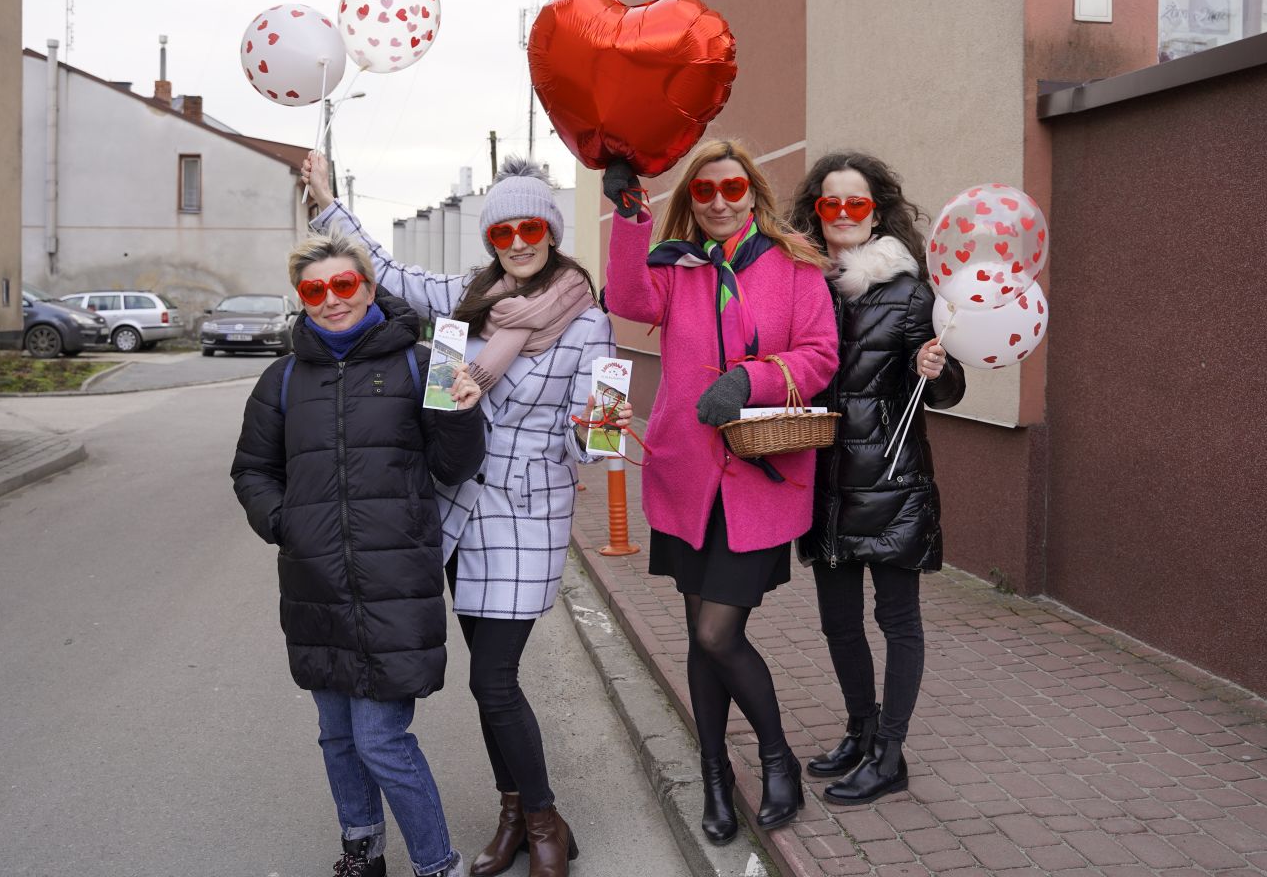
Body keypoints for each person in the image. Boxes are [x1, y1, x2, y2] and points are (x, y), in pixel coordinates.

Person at [304, 153, 622, 877]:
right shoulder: (469, 301)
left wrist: (602, 426)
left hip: (526, 514)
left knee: (493, 680)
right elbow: (386, 273)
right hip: (458, 514)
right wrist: (327, 204)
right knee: (486, 673)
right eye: (503, 229)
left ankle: (543, 819)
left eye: (531, 225)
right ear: (490, 237)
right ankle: (513, 812)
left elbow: (595, 445)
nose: (517, 240)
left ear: (551, 228)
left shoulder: (588, 322)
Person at [601, 140, 838, 844]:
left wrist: (752, 380)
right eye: (704, 192)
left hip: (759, 482)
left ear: (752, 190)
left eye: (732, 187)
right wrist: (628, 219)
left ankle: (776, 758)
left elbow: (821, 354)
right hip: (687, 480)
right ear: (690, 200)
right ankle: (712, 771)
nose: (719, 201)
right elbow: (626, 299)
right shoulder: (675, 266)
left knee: (717, 631)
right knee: (699, 637)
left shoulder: (792, 262)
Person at [231, 229, 486, 877]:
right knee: (337, 734)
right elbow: (252, 470)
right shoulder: (282, 379)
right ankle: (362, 849)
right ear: (303, 297)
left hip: (393, 584)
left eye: (344, 285)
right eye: (315, 289)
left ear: (369, 288)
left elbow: (455, 467)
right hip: (315, 585)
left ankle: (438, 865)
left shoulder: (422, 364)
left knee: (381, 740)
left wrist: (460, 412)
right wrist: (285, 523)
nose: (331, 300)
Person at [785, 151, 965, 805]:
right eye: (829, 205)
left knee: (897, 620)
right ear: (816, 212)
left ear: (876, 210)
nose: (840, 216)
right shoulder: (804, 285)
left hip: (891, 482)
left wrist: (933, 365)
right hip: (826, 483)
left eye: (854, 204)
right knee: (838, 622)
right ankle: (860, 734)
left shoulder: (912, 291)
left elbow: (947, 389)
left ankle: (891, 753)